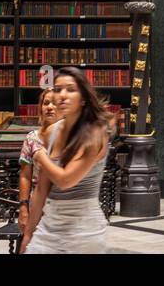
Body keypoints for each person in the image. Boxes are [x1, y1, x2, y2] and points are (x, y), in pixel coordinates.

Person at [22, 67, 112, 254]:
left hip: (84, 228)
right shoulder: (51, 132)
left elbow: (65, 180)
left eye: (70, 89)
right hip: (50, 223)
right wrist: (29, 234)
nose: (62, 95)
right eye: (57, 89)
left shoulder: (95, 133)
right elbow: (41, 189)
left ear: (84, 98)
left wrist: (38, 155)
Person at [16, 88, 59, 241]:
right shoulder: (32, 138)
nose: (50, 107)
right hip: (37, 204)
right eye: (46, 103)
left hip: (64, 204)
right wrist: (23, 207)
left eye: (55, 103)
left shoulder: (73, 139)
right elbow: (25, 176)